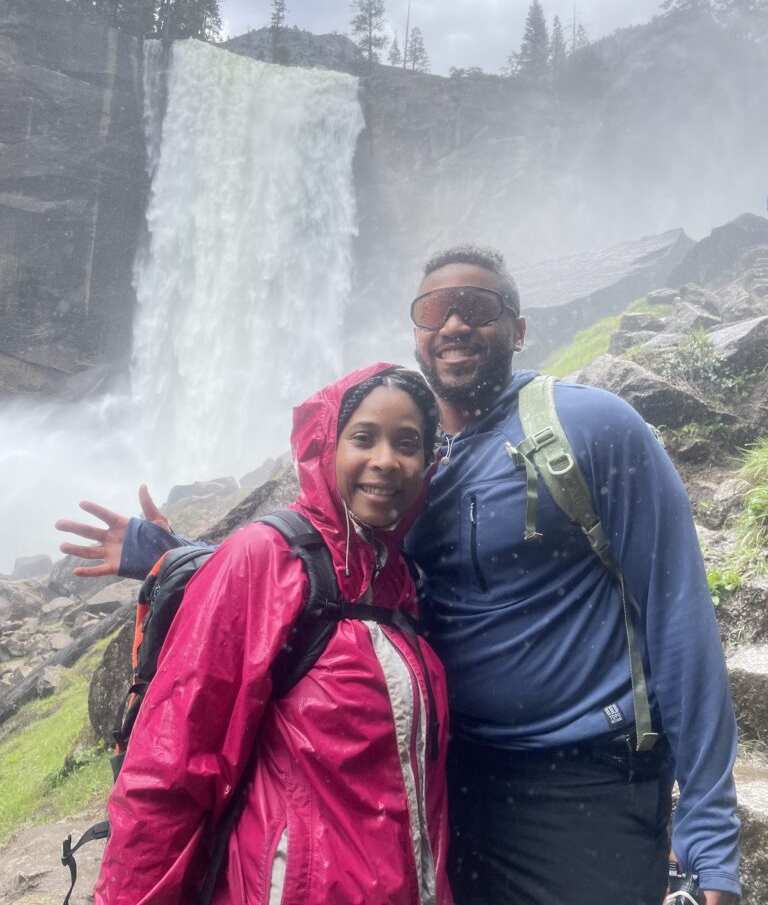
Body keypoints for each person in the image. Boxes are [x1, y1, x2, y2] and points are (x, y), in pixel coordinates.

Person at [60, 247, 741, 905]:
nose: (454, 323)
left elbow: (679, 615)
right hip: (448, 783)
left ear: (519, 328)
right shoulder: (406, 488)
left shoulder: (590, 428)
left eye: (477, 306)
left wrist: (708, 819)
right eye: (434, 309)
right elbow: (321, 585)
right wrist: (176, 554)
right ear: (416, 337)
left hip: (582, 788)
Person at [75, 363, 453, 905]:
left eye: (407, 443)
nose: (386, 461)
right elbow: (170, 767)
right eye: (363, 438)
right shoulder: (264, 557)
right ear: (326, 446)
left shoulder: (401, 579)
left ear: (427, 462)